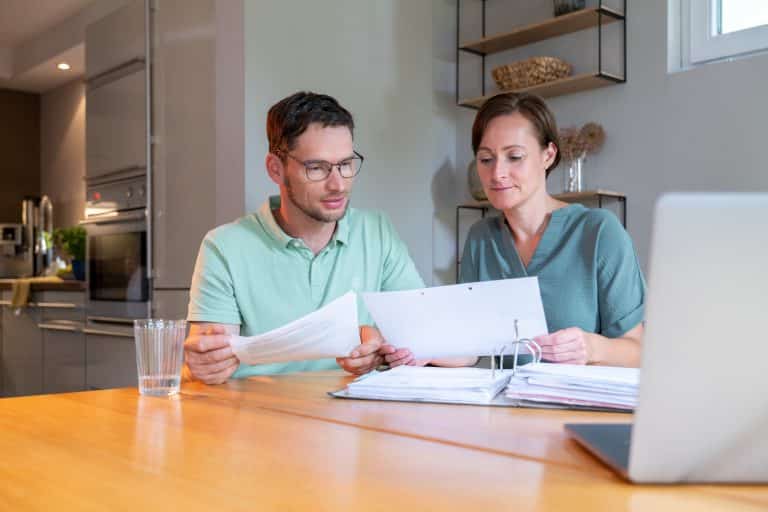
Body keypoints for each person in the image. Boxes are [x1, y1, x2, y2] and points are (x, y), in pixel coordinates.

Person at [384, 92, 645, 368]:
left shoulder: (599, 232)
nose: (497, 173)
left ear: (548, 155)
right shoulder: (481, 238)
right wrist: (426, 351)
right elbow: (471, 346)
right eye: (486, 159)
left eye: (515, 157)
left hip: (578, 409)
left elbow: (638, 352)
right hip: (505, 407)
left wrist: (592, 348)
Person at [183, 91, 426, 383]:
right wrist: (206, 365)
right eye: (317, 168)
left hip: (353, 420)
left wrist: (380, 343)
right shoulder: (223, 247)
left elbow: (424, 333)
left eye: (346, 165)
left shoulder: (377, 232)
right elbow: (208, 366)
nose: (338, 185)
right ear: (276, 168)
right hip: (258, 419)